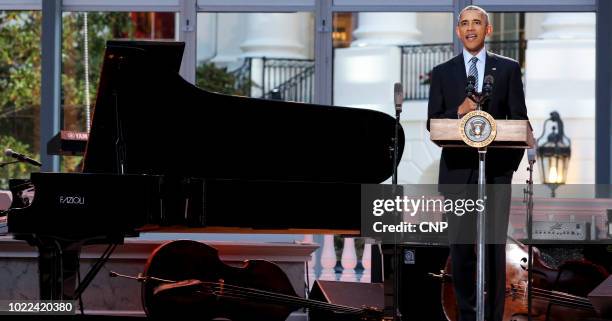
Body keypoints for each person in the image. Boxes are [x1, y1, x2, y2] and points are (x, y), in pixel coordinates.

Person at [426, 5, 528, 321]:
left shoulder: (508, 69)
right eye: (465, 24)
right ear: (459, 32)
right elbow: (433, 123)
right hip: (456, 174)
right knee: (460, 251)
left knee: (494, 251)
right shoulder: (442, 73)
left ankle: (495, 316)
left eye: (477, 23)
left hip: (495, 174)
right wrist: (459, 111)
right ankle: (468, 315)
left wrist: (506, 169)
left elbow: (520, 121)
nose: (471, 29)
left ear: (488, 30)